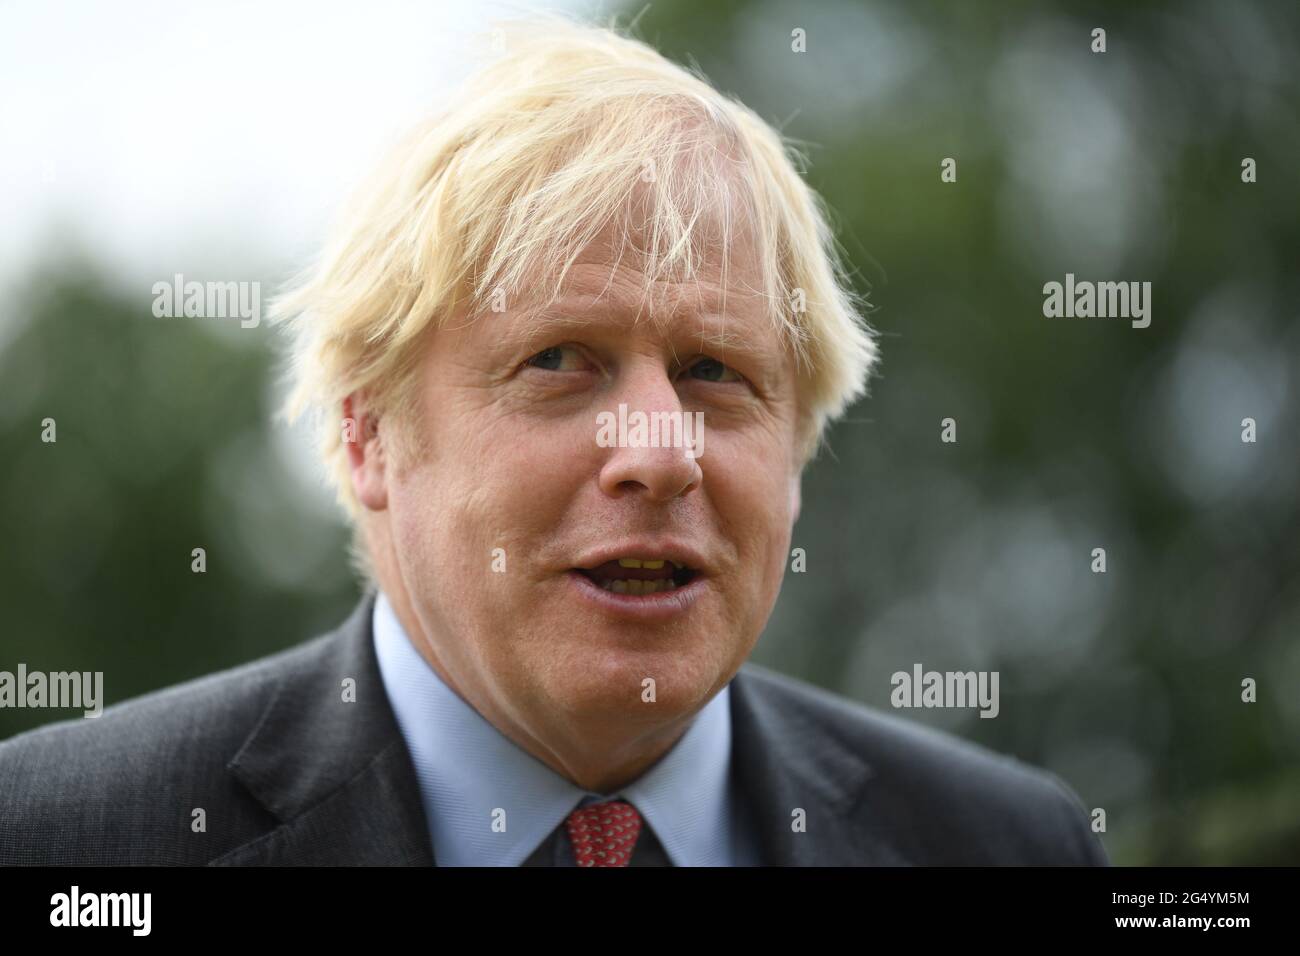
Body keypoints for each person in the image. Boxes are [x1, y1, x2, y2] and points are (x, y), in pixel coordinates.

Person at [0, 14, 1105, 867]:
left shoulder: (1010, 845)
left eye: (715, 373)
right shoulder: (63, 839)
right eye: (559, 361)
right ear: (370, 431)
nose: (660, 451)